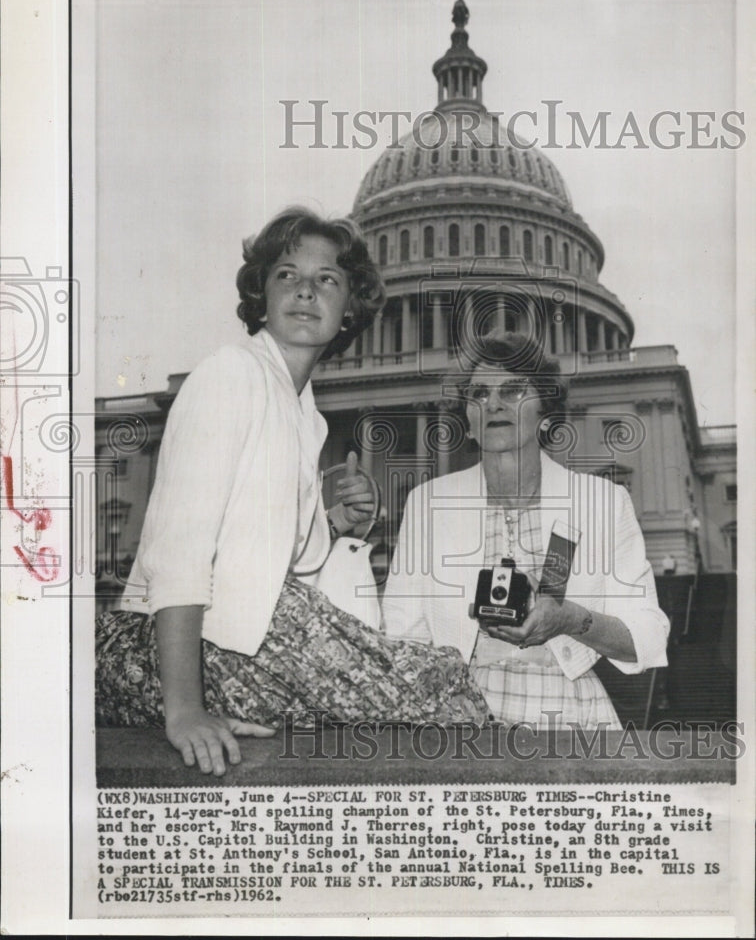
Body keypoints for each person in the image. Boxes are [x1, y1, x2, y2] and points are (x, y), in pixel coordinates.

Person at [96, 208, 489, 775]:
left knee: (440, 685)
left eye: (327, 278)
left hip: (241, 639)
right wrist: (185, 711)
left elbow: (274, 559)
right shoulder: (231, 374)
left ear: (350, 306)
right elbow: (178, 553)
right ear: (261, 296)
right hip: (179, 650)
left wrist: (337, 524)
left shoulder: (304, 413)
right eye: (287, 274)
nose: (306, 290)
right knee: (442, 691)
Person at [382, 330, 670, 729]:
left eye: (513, 390)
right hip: (459, 716)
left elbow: (648, 636)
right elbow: (402, 638)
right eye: (479, 394)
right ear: (468, 422)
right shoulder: (428, 503)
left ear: (545, 414)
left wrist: (570, 620)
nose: (494, 403)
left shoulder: (601, 501)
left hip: (568, 715)